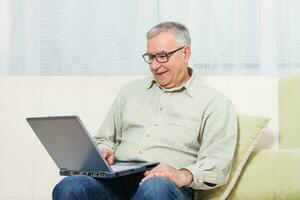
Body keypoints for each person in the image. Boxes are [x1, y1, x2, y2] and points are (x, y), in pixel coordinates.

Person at [53, 21, 237, 200]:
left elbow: (218, 164)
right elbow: (105, 139)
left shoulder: (215, 103)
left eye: (163, 56)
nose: (155, 66)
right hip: (116, 181)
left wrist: (182, 175)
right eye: (150, 57)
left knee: (155, 188)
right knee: (69, 186)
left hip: (165, 187)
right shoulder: (130, 92)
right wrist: (104, 150)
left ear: (185, 53)